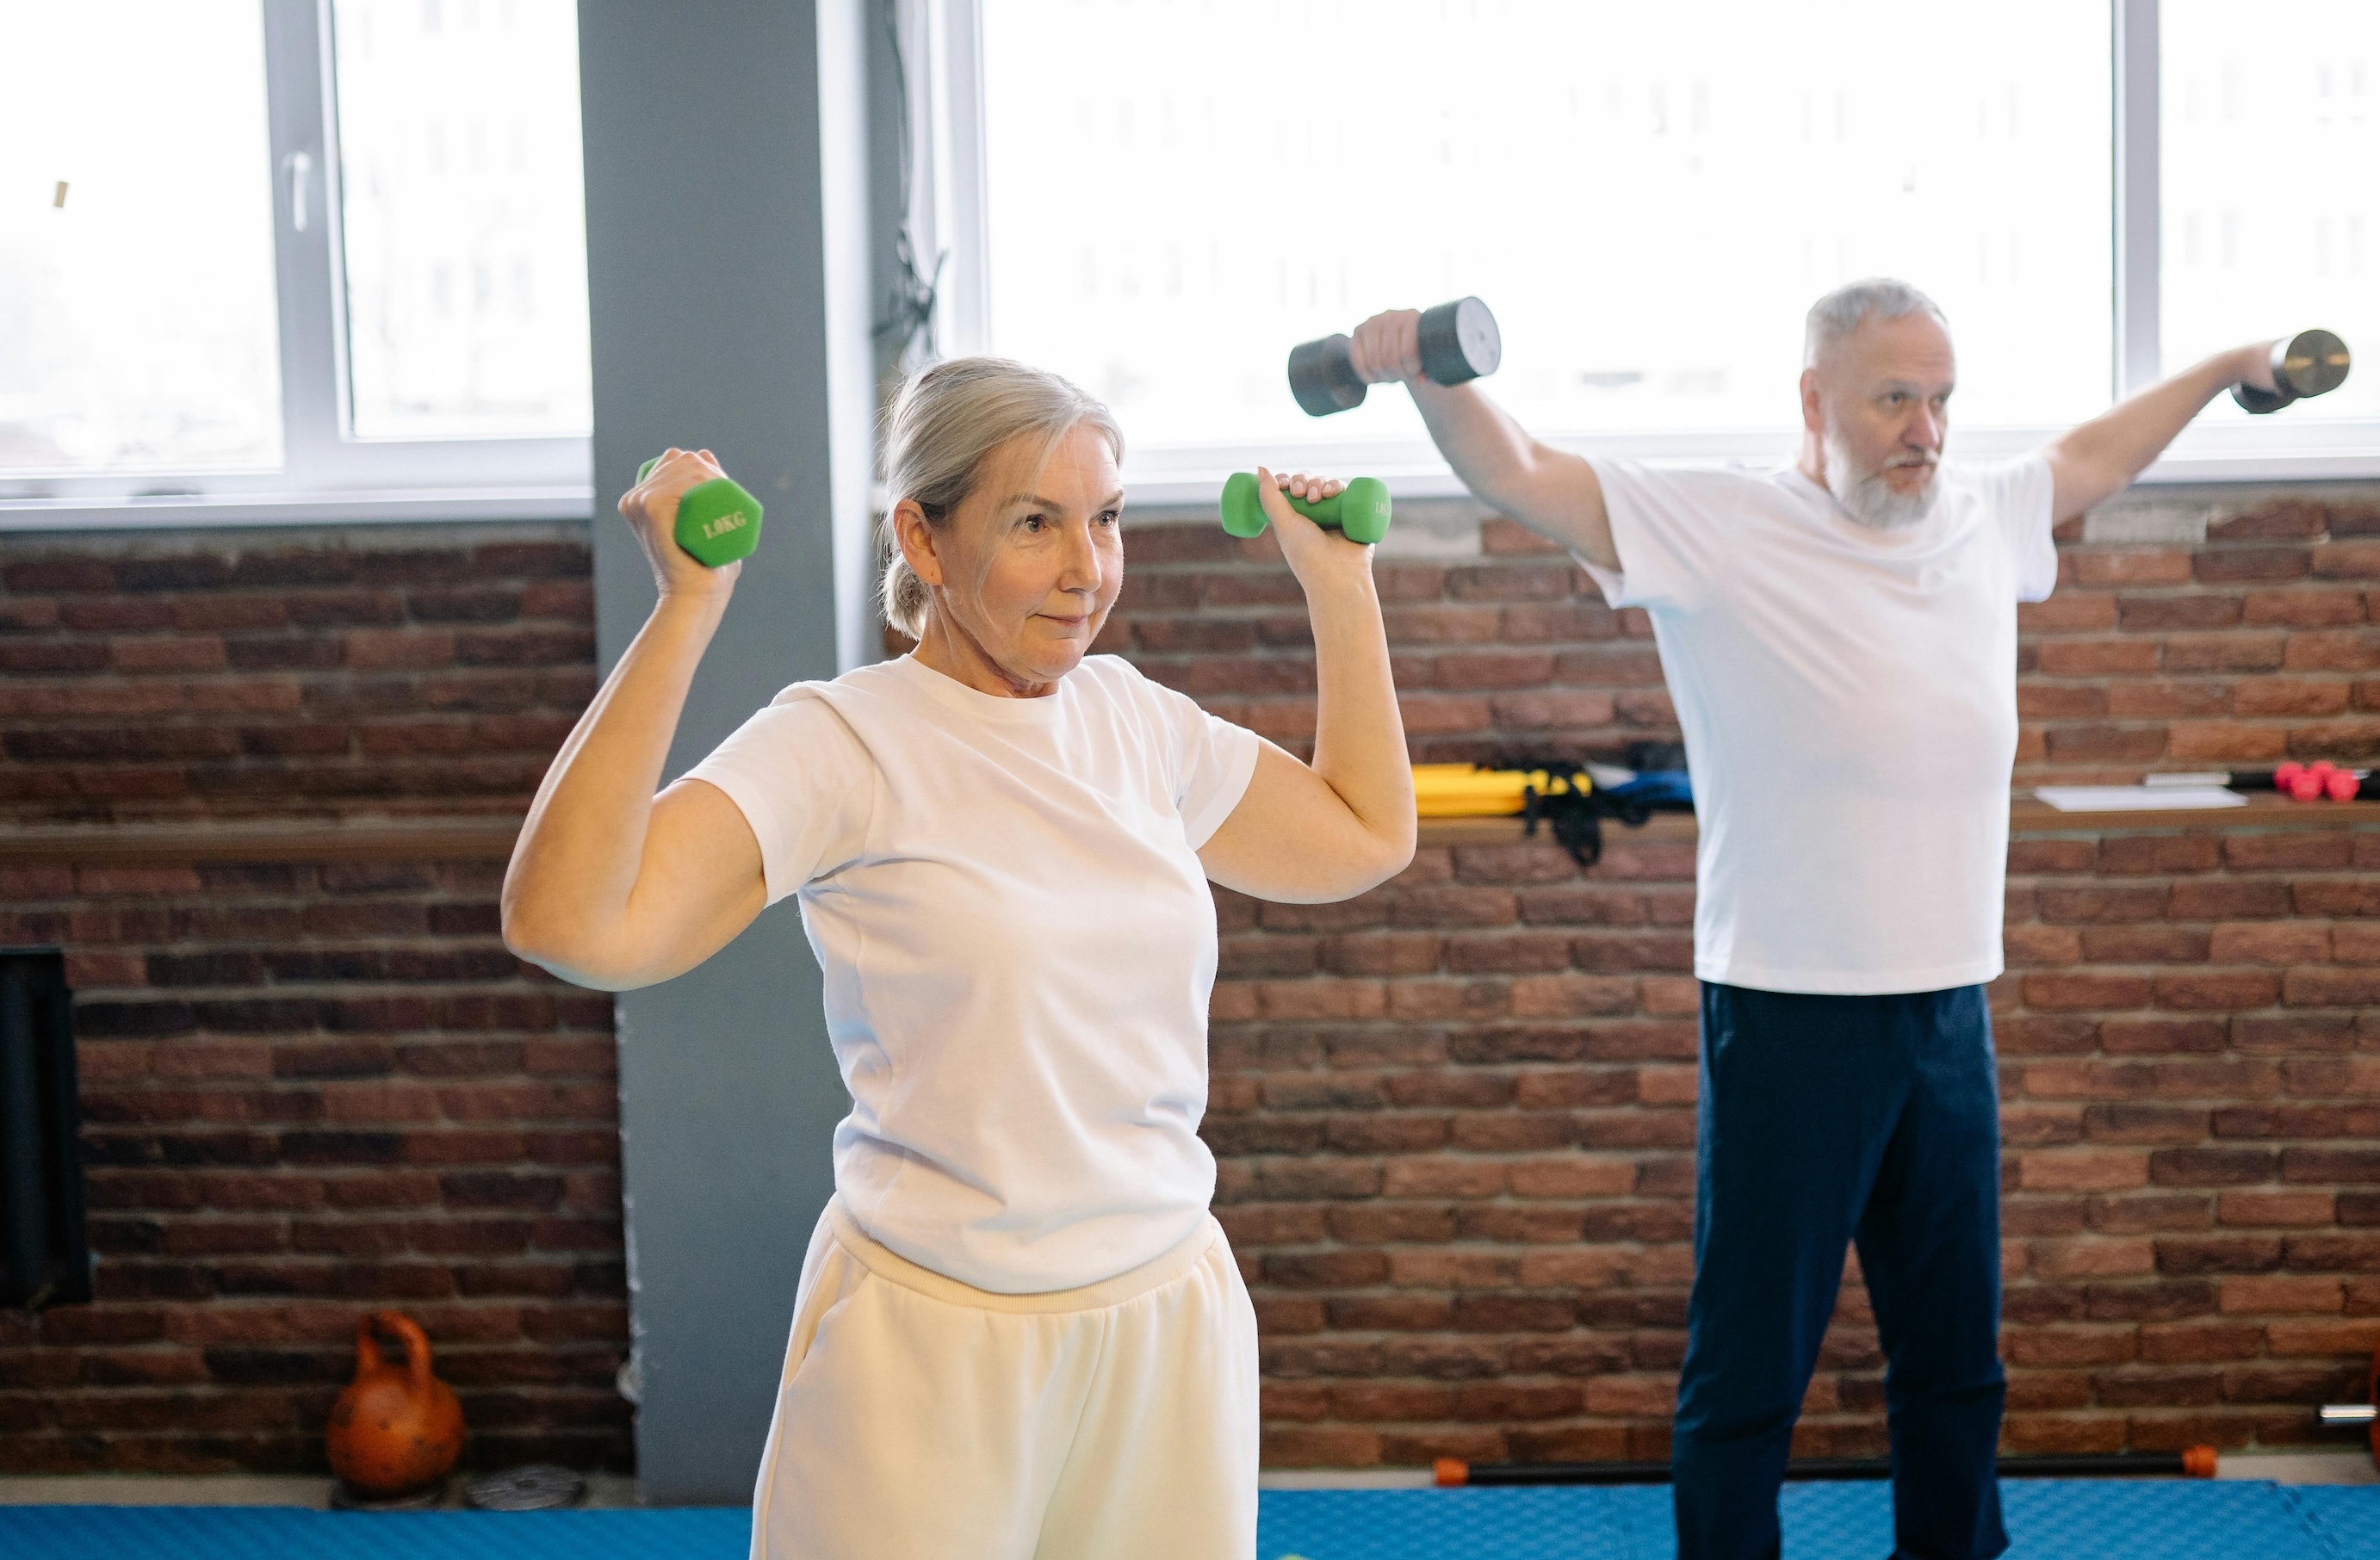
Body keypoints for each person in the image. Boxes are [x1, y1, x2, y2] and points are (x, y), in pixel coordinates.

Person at [1347, 279, 2285, 1560]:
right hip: (1786, 1011)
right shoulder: (1720, 520)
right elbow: (1517, 471)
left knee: (1956, 1361)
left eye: (1942, 400)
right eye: (1894, 398)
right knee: (1748, 1373)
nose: (1926, 430)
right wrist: (1424, 370)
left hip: (1948, 1008)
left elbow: (2088, 456)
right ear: (1813, 401)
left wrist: (2225, 364)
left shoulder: (1975, 514)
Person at [500, 356, 1416, 1560]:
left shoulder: (1133, 718)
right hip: (935, 1336)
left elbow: (1360, 833)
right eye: (1035, 523)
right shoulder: (841, 741)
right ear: (920, 541)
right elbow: (570, 920)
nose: (1087, 569)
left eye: (1105, 519)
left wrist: (1337, 583)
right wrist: (687, 605)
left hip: (1164, 1311)